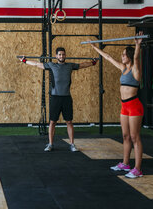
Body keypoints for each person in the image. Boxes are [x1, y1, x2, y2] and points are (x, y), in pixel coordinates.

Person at [19, 47, 97, 152]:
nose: (61, 56)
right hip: (55, 98)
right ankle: (50, 144)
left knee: (69, 122)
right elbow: (37, 64)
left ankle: (72, 144)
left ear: (65, 55)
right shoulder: (51, 65)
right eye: (59, 54)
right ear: (56, 56)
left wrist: (93, 63)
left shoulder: (70, 66)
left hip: (66, 98)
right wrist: (25, 61)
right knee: (52, 122)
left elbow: (82, 65)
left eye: (63, 54)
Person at [90, 32, 144, 178]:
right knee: (125, 136)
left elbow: (137, 57)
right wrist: (95, 48)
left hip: (134, 106)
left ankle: (137, 169)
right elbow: (108, 57)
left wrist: (137, 45)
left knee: (135, 137)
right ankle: (126, 164)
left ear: (130, 56)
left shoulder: (135, 69)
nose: (122, 56)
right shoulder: (123, 68)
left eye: (124, 55)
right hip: (124, 106)